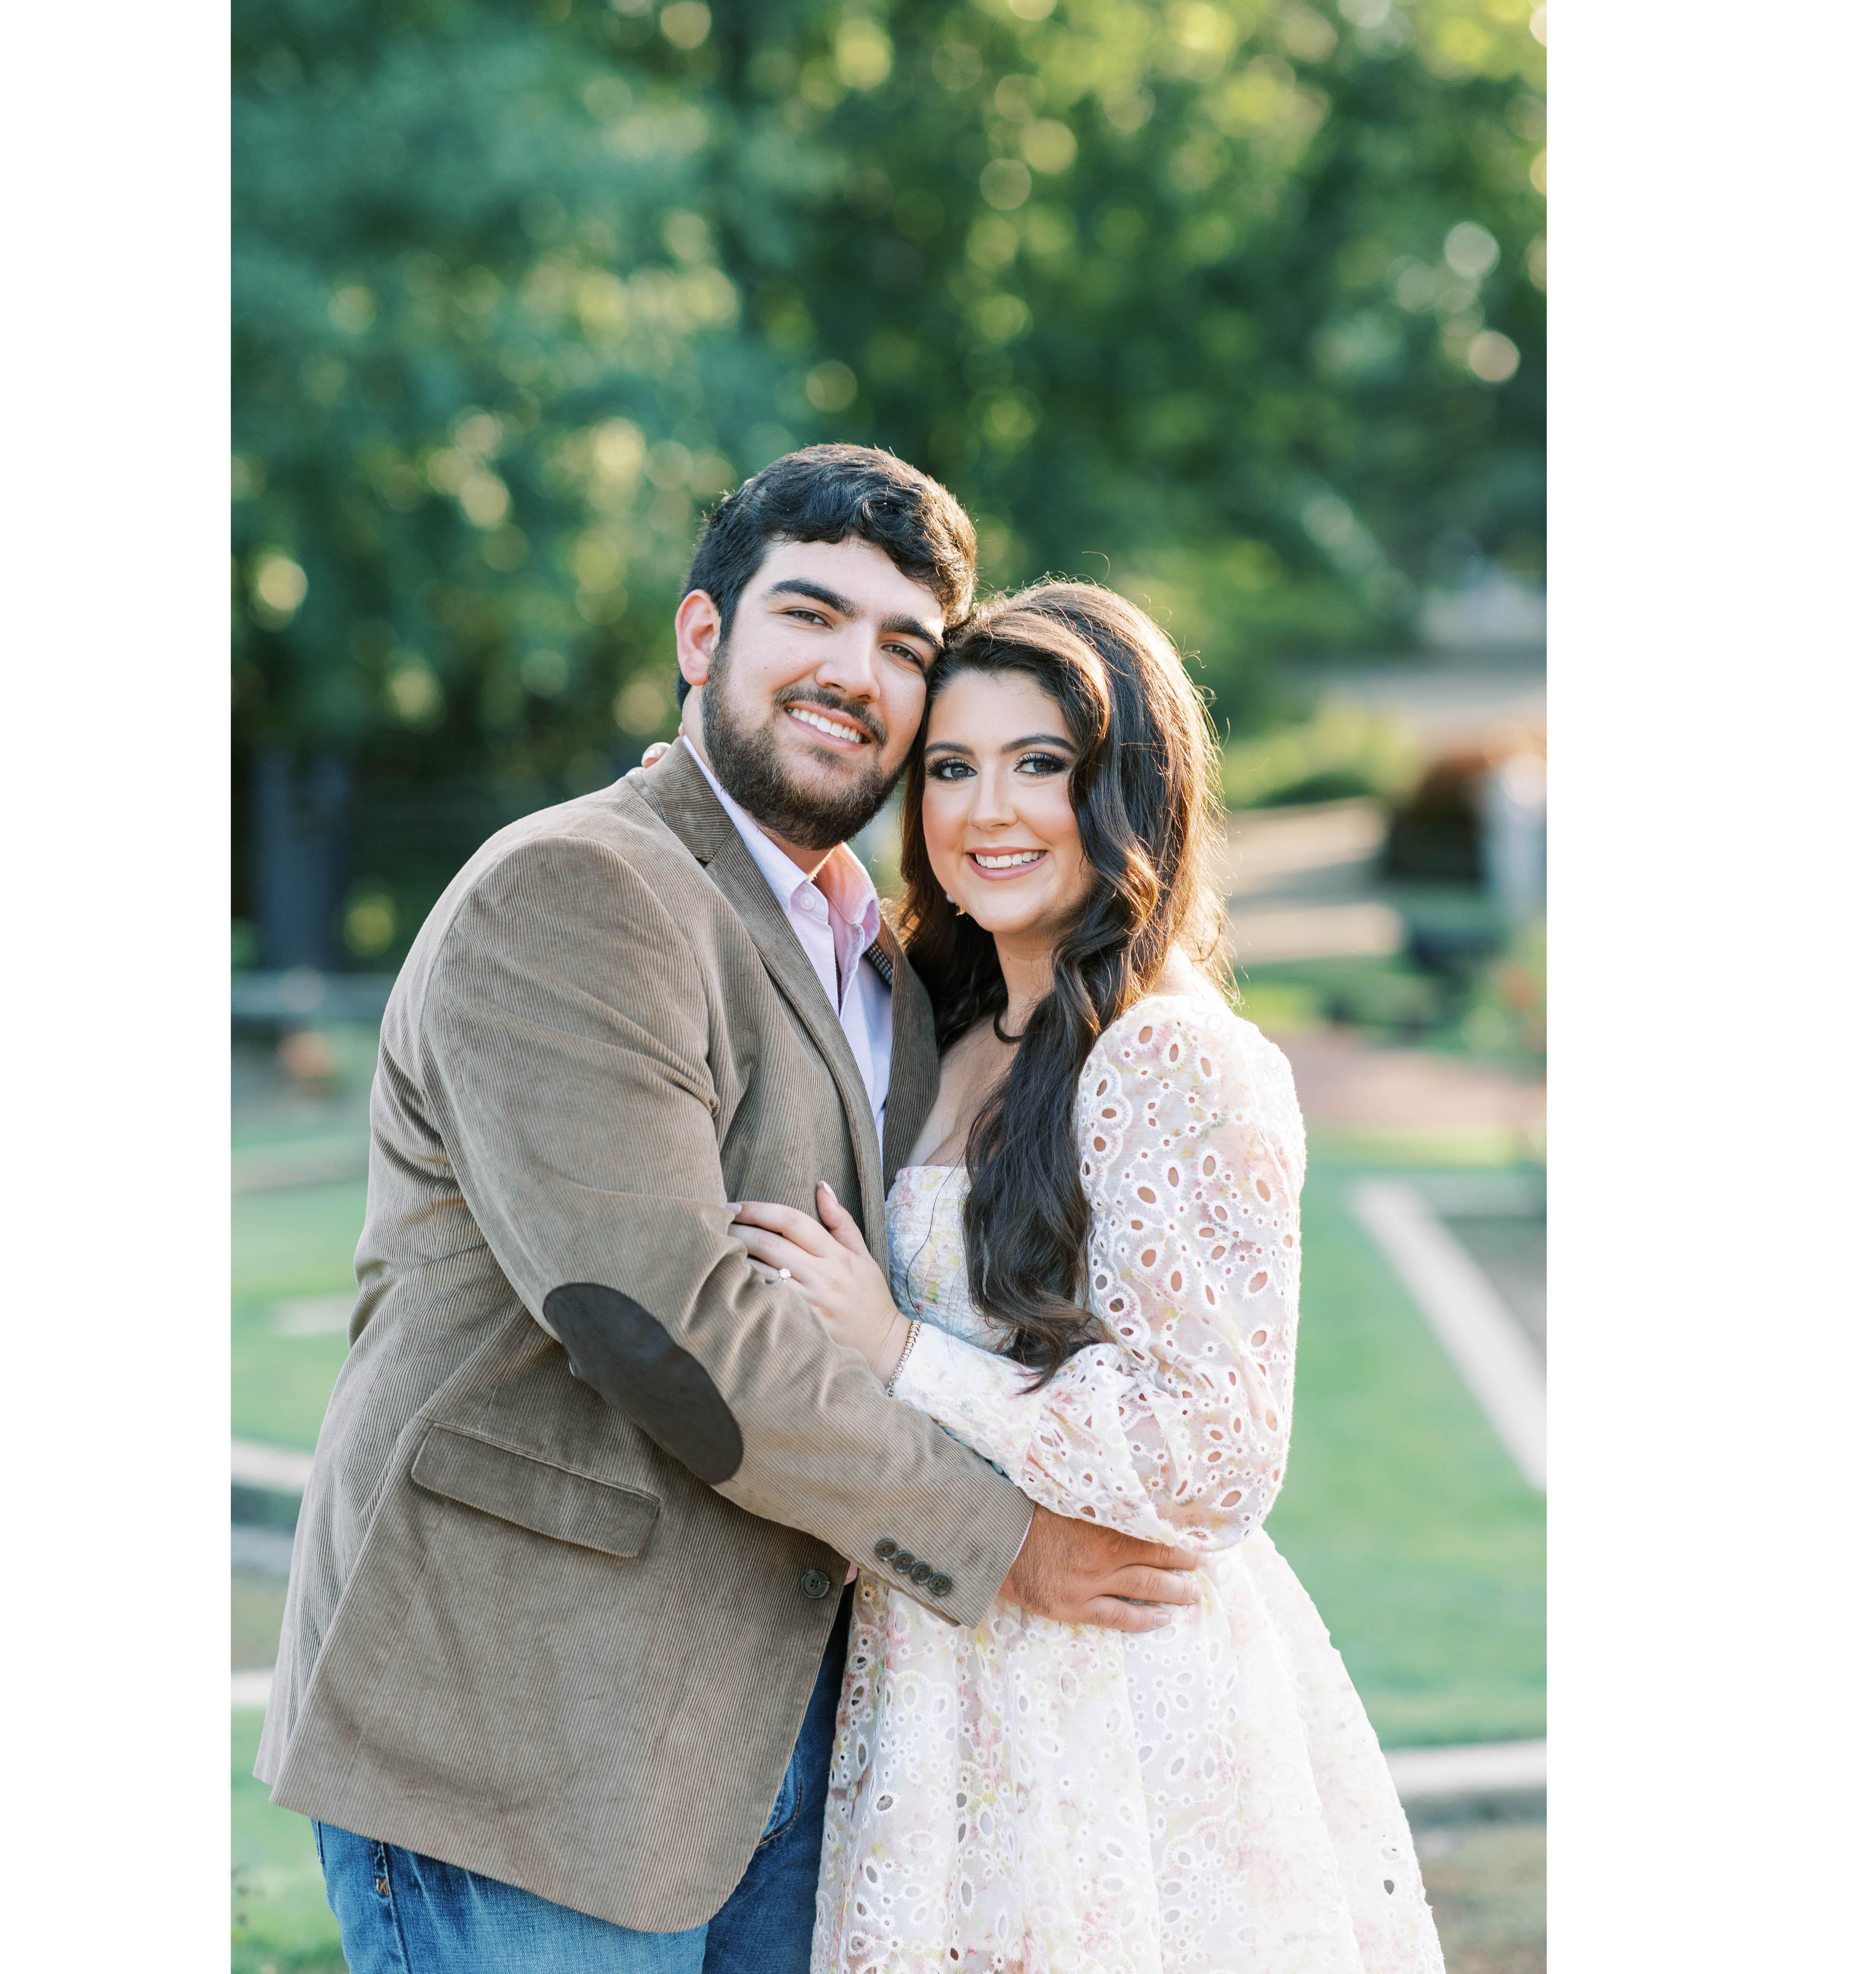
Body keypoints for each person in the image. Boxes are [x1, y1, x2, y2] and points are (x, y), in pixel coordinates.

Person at [254, 449, 1206, 1974]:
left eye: (904, 646)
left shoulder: (883, 960)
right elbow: (662, 1326)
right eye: (810, 616)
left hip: (776, 1733)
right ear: (703, 636)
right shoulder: (578, 892)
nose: (855, 674)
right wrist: (1004, 1544)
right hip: (519, 1737)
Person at [727, 583, 1449, 1972]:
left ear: (1128, 789)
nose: (987, 813)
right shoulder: (940, 1021)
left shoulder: (1171, 1057)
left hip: (1103, 1701)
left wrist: (901, 1353)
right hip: (938, 1664)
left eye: (1039, 765)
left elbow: (1214, 1451)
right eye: (951, 768)